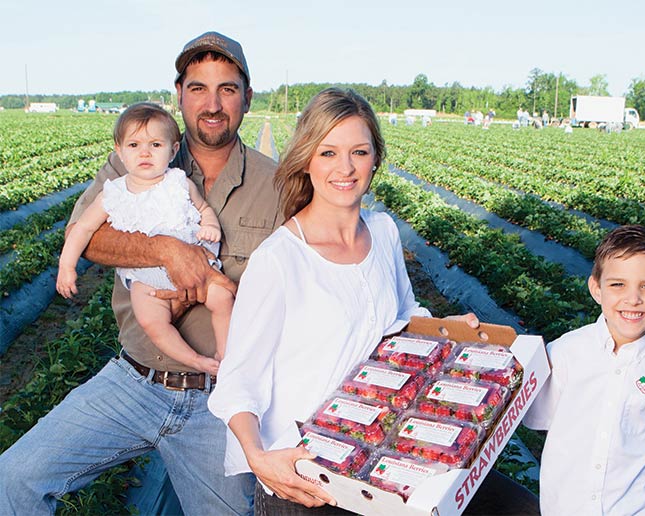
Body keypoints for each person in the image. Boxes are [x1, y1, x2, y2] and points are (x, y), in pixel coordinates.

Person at [0, 31, 282, 515]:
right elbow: (84, 233)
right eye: (197, 88)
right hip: (133, 380)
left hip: (220, 403)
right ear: (179, 94)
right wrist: (166, 250)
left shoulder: (277, 183)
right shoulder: (136, 156)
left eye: (227, 89)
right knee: (16, 477)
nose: (212, 104)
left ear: (248, 97)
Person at [207, 88, 483, 514]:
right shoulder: (279, 260)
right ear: (306, 160)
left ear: (376, 158)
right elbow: (239, 380)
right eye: (328, 153)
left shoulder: (385, 232)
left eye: (359, 151)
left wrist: (450, 334)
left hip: (378, 455)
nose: (346, 167)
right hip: (305, 474)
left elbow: (404, 321)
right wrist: (259, 460)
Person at [523, 225, 645, 516]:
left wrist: (625, 478)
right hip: (565, 505)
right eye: (618, 284)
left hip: (635, 508)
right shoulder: (565, 352)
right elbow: (546, 424)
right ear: (596, 288)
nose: (633, 299)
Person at [56, 102, 230, 375]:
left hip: (196, 264)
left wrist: (210, 226)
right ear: (119, 152)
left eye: (156, 145)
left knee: (223, 299)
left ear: (173, 150)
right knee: (152, 322)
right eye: (134, 145)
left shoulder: (179, 183)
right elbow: (83, 229)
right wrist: (67, 266)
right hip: (146, 277)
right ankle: (195, 360)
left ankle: (225, 354)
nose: (145, 152)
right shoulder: (112, 194)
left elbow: (203, 209)